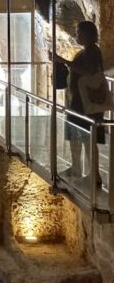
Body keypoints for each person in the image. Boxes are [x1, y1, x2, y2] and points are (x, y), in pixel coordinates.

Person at [54, 20, 106, 182]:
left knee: (87, 138)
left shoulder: (93, 51)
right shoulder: (86, 51)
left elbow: (89, 71)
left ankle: (94, 174)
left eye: (79, 32)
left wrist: (65, 61)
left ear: (88, 34)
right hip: (79, 102)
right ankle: (77, 167)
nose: (77, 35)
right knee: (76, 136)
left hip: (86, 103)